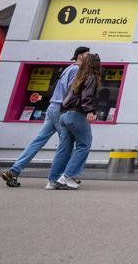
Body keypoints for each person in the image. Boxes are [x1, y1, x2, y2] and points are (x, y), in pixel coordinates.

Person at [1, 46, 89, 187]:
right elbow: (72, 91)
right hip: (62, 109)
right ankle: (61, 177)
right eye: (87, 54)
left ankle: (15, 170)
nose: (89, 57)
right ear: (80, 56)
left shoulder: (68, 68)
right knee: (65, 145)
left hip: (52, 108)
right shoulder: (77, 70)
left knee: (38, 141)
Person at [47, 52, 102, 190]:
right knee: (84, 145)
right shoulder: (91, 77)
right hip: (77, 114)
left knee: (64, 147)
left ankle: (52, 180)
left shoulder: (77, 77)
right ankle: (67, 176)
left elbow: (67, 94)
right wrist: (90, 111)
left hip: (64, 114)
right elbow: (87, 96)